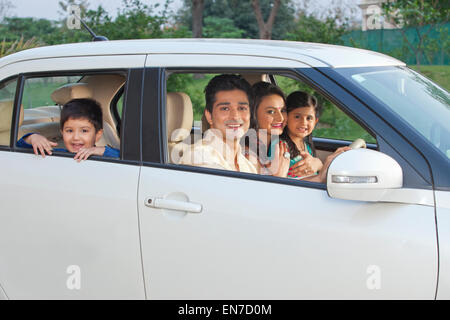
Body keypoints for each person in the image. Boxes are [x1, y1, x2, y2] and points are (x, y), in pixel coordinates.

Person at [178, 74, 257, 173]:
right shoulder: (198, 157)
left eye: (242, 108)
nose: (235, 116)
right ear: (209, 116)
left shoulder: (248, 166)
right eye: (225, 108)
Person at [17, 98, 119, 161]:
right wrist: (32, 137)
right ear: (62, 132)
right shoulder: (57, 155)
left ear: (98, 135)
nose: (75, 137)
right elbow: (19, 147)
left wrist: (100, 150)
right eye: (69, 131)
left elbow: (128, 160)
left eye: (84, 131)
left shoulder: (104, 157)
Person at [281, 91, 350, 182]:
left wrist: (321, 165)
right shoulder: (281, 147)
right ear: (286, 117)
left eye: (309, 118)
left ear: (315, 121)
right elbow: (283, 183)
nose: (304, 122)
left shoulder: (307, 146)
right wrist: (320, 176)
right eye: (297, 116)